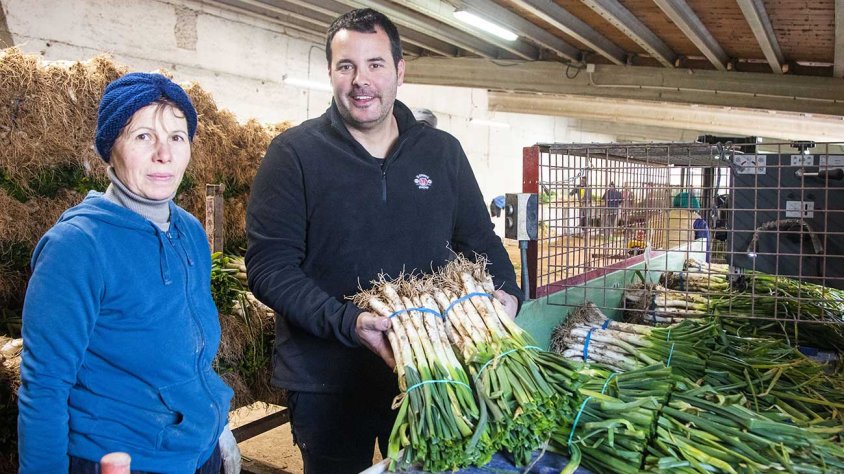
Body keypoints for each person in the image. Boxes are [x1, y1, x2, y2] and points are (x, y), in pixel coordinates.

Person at [245, 8, 522, 474]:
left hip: (435, 371)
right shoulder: (294, 154)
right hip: (327, 380)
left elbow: (480, 242)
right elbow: (270, 267)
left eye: (375, 64)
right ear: (330, 73)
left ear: (399, 70)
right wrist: (347, 321)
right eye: (346, 66)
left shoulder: (441, 152)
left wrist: (510, 294)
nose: (361, 81)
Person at [18, 73, 240, 473]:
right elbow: (44, 386)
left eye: (177, 137)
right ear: (110, 149)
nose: (164, 154)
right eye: (143, 137)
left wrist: (214, 424)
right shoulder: (77, 246)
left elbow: (186, 354)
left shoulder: (189, 230)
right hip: (122, 459)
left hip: (197, 450)